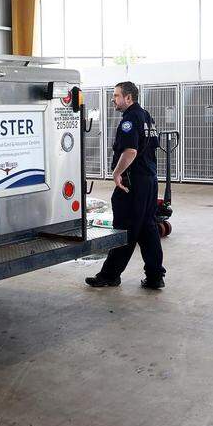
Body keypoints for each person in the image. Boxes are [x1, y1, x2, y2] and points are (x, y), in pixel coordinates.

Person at [86, 81, 166, 290]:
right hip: (149, 181)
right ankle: (155, 276)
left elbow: (130, 151)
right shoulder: (147, 117)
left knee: (125, 229)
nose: (113, 99)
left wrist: (116, 173)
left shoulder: (130, 119)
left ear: (128, 98)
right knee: (147, 229)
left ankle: (110, 275)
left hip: (133, 184)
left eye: (116, 96)